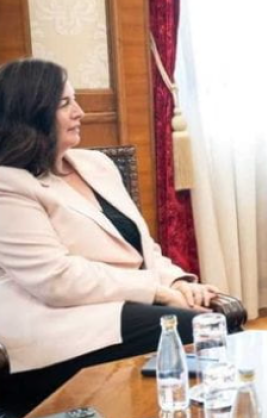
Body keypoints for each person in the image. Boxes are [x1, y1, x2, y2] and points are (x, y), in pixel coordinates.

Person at [0, 58, 220, 415]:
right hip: (58, 324)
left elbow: (141, 247)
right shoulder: (8, 185)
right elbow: (57, 279)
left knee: (215, 325)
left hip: (124, 304)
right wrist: (158, 292)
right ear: (31, 113)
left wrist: (176, 280)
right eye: (65, 103)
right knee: (201, 332)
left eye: (76, 99)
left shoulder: (97, 164)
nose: (80, 112)